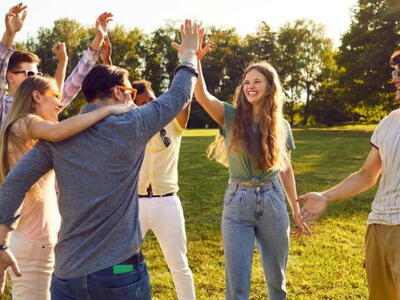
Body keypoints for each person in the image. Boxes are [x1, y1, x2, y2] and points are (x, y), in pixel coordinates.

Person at [0, 19, 200, 300]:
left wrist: (1, 244)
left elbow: (13, 184)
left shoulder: (57, 137)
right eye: (130, 93)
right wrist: (189, 53)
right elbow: (179, 94)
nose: (132, 100)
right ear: (118, 93)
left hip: (67, 276)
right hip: (118, 273)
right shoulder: (133, 123)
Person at [179, 31, 310, 300]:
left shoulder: (281, 125)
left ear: (270, 87)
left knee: (277, 281)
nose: (250, 86)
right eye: (247, 82)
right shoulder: (230, 116)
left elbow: (285, 168)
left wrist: (295, 207)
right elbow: (202, 96)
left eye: (257, 81)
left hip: (273, 201)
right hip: (238, 202)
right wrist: (195, 59)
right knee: (237, 287)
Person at [298, 50, 400, 300]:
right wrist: (325, 196)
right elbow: (367, 174)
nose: (395, 79)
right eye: (395, 72)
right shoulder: (389, 122)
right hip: (378, 227)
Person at [132, 80, 196, 300]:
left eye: (152, 98)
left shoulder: (172, 124)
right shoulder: (129, 126)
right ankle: (134, 281)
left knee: (179, 264)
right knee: (120, 264)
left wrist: (191, 61)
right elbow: (116, 95)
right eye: (141, 102)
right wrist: (106, 63)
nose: (149, 104)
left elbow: (185, 95)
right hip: (134, 205)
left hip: (167, 203)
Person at [0, 3, 110, 125]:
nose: (36, 79)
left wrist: (98, 40)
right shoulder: (3, 106)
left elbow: (75, 81)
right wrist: (10, 34)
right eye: (30, 74)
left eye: (38, 74)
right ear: (10, 77)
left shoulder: (42, 103)